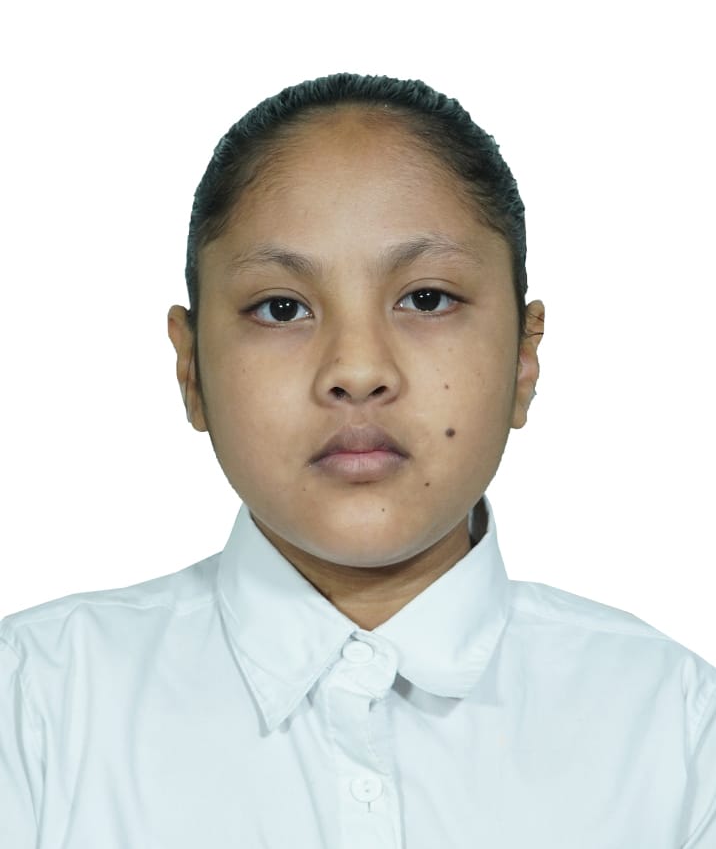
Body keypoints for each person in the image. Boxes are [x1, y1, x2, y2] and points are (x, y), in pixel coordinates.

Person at [1, 73, 714, 848]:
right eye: (281, 308)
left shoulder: (675, 729)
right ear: (191, 368)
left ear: (524, 358)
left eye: (427, 299)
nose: (358, 369)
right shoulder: (34, 707)